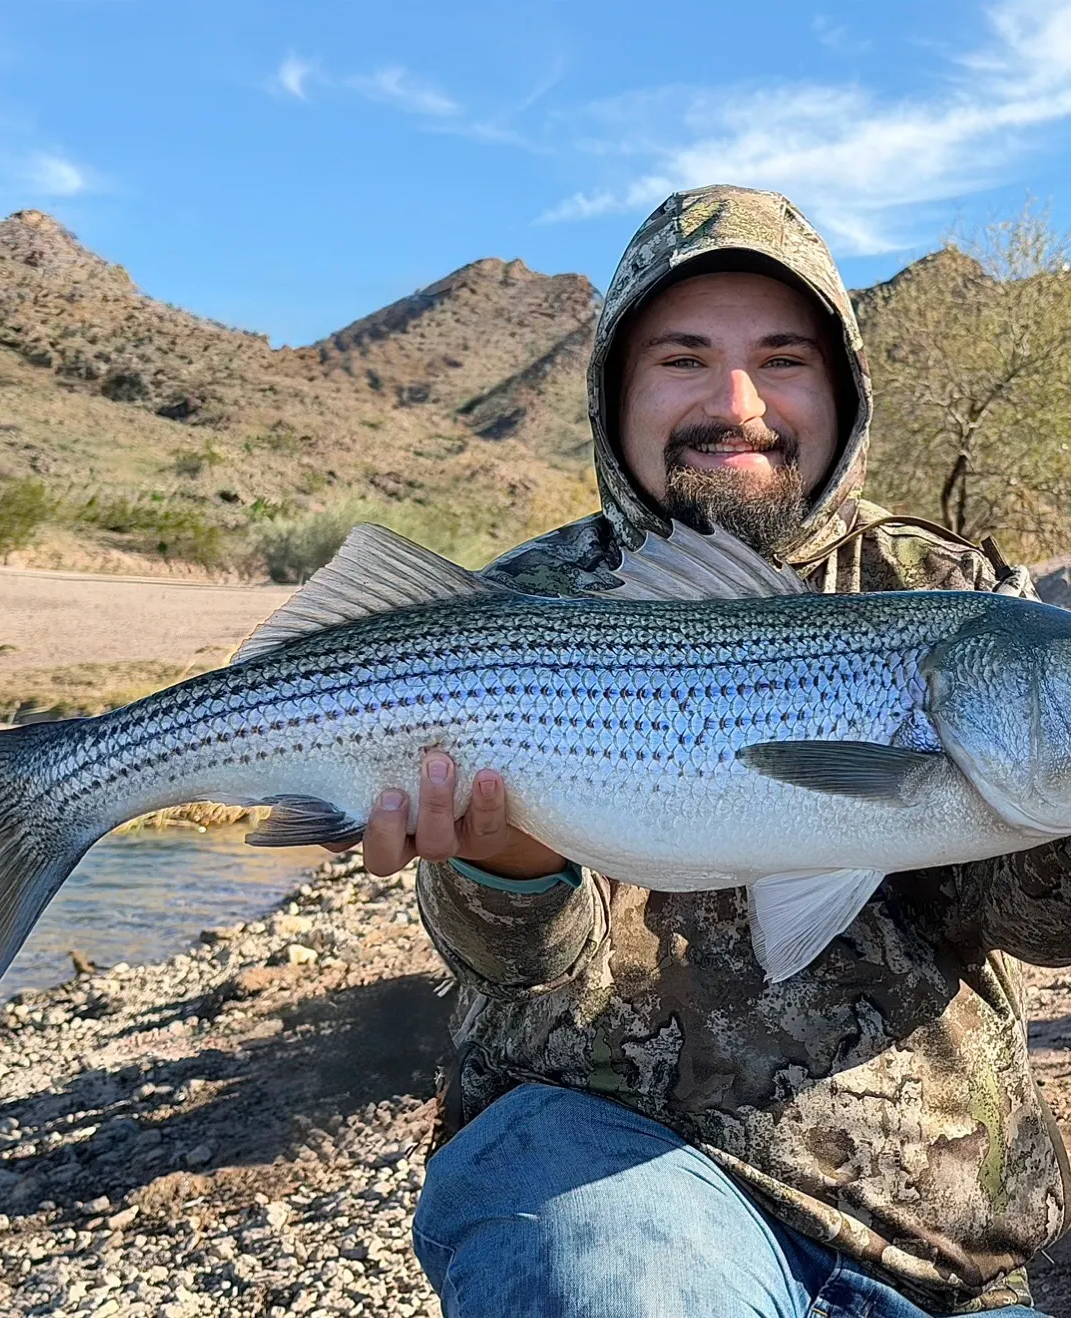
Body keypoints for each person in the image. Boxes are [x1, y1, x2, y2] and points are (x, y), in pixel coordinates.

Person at [339, 186, 1068, 1316]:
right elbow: (513, 973)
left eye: (782, 359)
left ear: (839, 391)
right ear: (613, 393)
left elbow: (1039, 924)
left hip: (950, 1238)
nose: (738, 403)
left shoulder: (956, 600)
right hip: (606, 1179)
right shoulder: (517, 606)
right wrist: (502, 869)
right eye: (682, 358)